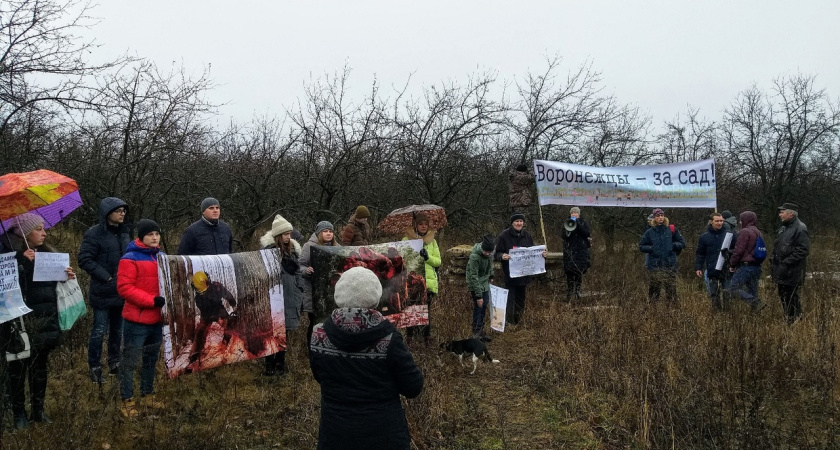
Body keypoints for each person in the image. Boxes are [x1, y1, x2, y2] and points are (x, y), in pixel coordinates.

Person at [309, 266, 423, 450]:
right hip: (384, 436)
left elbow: (320, 376)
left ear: (339, 294)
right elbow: (413, 387)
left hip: (335, 435)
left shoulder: (318, 334)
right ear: (375, 296)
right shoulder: (389, 338)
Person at [0, 213, 75, 429]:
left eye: (43, 228)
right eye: (38, 229)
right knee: (17, 369)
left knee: (40, 366)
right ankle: (18, 414)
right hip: (18, 321)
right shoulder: (7, 254)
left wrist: (65, 276)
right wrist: (20, 261)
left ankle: (38, 411)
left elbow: (50, 287)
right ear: (24, 233)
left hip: (44, 319)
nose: (44, 233)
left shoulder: (47, 255)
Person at [77, 197, 131, 384]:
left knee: (117, 330)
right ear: (108, 213)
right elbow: (84, 259)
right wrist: (106, 277)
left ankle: (115, 362)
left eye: (124, 211)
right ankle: (95, 366)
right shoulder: (94, 233)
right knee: (99, 330)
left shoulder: (125, 233)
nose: (122, 214)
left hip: (122, 290)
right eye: (118, 211)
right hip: (102, 291)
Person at [117, 219, 166, 418]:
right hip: (136, 320)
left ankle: (147, 394)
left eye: (157, 234)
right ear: (141, 237)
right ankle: (127, 399)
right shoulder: (129, 259)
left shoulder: (162, 257)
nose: (154, 238)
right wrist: (151, 301)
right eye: (150, 234)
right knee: (130, 361)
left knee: (151, 360)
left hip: (157, 319)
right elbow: (124, 288)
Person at [260, 214, 303, 375]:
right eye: (285, 234)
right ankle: (269, 365)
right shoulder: (268, 253)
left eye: (289, 234)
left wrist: (299, 289)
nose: (288, 237)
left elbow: (298, 272)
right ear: (278, 235)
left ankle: (280, 365)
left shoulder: (293, 252)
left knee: (284, 333)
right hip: (273, 298)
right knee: (271, 332)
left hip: (290, 296)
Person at [495, 213, 545, 325]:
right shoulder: (504, 236)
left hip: (524, 275)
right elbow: (497, 253)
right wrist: (502, 256)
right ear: (512, 223)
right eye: (516, 221)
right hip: (510, 275)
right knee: (510, 299)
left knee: (520, 299)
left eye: (521, 221)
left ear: (523, 223)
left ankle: (518, 321)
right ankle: (508, 322)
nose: (519, 223)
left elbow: (533, 252)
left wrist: (541, 255)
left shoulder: (527, 235)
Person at [402, 213, 441, 346]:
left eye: (426, 224)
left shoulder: (432, 241)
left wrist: (427, 257)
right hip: (412, 281)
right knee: (411, 309)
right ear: (415, 225)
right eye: (420, 224)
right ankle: (410, 338)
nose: (423, 226)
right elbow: (402, 258)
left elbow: (438, 261)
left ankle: (426, 338)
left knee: (426, 310)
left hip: (428, 281)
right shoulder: (406, 240)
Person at [299, 221, 340, 343]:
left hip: (332, 291)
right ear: (319, 233)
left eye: (331, 231)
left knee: (333, 321)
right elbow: (300, 265)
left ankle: (329, 345)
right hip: (314, 291)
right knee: (315, 322)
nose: (328, 234)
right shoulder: (309, 246)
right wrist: (306, 270)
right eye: (325, 231)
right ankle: (312, 347)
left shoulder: (337, 247)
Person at [771, 202, 810, 324]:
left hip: (792, 271)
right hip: (782, 270)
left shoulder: (800, 228)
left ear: (791, 214)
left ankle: (795, 320)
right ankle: (789, 318)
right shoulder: (784, 228)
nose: (780, 215)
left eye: (782, 212)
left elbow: (803, 250)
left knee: (791, 296)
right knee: (783, 295)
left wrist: (786, 262)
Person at [189, 271, 237, 368]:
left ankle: (226, 342)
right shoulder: (198, 299)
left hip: (219, 308)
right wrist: (214, 318)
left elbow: (227, 295)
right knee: (200, 331)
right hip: (207, 313)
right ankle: (195, 352)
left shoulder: (216, 287)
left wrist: (234, 305)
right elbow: (205, 311)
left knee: (227, 324)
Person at [639, 208, 686, 304]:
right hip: (655, 265)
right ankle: (653, 309)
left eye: (662, 215)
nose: (660, 217)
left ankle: (672, 309)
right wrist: (652, 248)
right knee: (654, 290)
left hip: (670, 265)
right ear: (654, 218)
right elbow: (641, 246)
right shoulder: (649, 232)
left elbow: (683, 243)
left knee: (671, 290)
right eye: (658, 216)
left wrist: (673, 246)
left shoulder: (671, 230)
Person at [694, 213, 736, 310]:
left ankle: (728, 313)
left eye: (721, 221)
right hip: (712, 269)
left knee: (727, 293)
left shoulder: (730, 234)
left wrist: (729, 252)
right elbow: (700, 253)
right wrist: (698, 267)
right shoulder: (704, 237)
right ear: (711, 222)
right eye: (717, 221)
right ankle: (717, 314)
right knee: (714, 294)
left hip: (727, 269)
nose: (719, 223)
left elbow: (737, 249)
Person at [726, 211, 766, 312]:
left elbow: (738, 251)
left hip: (746, 266)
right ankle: (754, 316)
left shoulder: (744, 232)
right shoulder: (758, 232)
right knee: (753, 291)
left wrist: (732, 264)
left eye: (741, 220)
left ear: (745, 220)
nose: (740, 222)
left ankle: (755, 302)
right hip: (756, 266)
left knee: (733, 289)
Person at [467, 234, 495, 341]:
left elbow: (490, 265)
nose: (487, 254)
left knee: (484, 307)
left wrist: (491, 275)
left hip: (484, 283)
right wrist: (478, 296)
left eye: (489, 252)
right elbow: (473, 277)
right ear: (482, 248)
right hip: (476, 284)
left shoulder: (490, 255)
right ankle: (476, 332)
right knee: (478, 307)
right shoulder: (474, 257)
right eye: (486, 251)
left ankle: (481, 331)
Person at [561, 207, 591, 303]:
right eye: (572, 213)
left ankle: (578, 290)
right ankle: (570, 291)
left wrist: (578, 225)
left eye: (576, 213)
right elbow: (564, 236)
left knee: (579, 271)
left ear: (579, 214)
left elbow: (587, 233)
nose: (574, 214)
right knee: (569, 271)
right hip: (570, 251)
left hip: (581, 251)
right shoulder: (567, 222)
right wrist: (570, 228)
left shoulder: (583, 222)